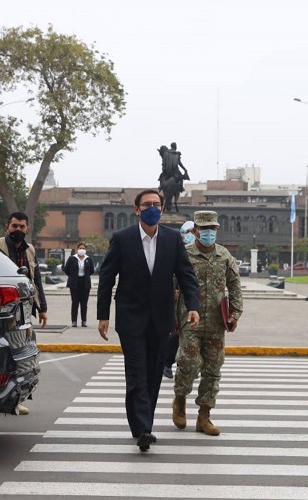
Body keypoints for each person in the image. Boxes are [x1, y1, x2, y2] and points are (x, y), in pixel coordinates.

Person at [97, 189, 200, 452]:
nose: (152, 208)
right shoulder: (122, 239)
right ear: (137, 209)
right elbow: (107, 278)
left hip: (161, 318)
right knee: (136, 372)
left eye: (157, 204)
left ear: (162, 209)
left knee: (153, 373)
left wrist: (193, 307)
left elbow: (186, 274)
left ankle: (142, 424)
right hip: (130, 316)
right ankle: (144, 428)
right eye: (147, 204)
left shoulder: (172, 239)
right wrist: (103, 315)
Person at [172, 210, 243, 436]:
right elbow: (172, 284)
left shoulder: (224, 256)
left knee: (213, 369)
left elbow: (234, 285)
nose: (208, 233)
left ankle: (204, 416)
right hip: (189, 319)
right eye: (204, 229)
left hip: (216, 321)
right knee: (189, 362)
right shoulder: (184, 255)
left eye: (212, 229)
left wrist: (235, 312)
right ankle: (180, 400)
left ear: (217, 230)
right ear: (195, 231)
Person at [0, 211, 48, 416]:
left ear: (27, 229)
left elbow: (37, 280)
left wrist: (43, 308)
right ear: (7, 226)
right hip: (2, 309)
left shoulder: (30, 250)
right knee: (4, 356)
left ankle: (17, 400)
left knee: (22, 357)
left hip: (24, 311)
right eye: (14, 226)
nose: (18, 230)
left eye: (22, 227)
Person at [163, 220, 196, 379]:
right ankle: (167, 363)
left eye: (193, 230)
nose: (191, 234)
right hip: (177, 300)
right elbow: (169, 274)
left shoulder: (199, 251)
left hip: (194, 300)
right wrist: (172, 291)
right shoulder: (176, 248)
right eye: (187, 231)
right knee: (175, 334)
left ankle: (192, 365)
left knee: (194, 335)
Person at [62, 242, 95, 327]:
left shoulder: (88, 259)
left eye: (83, 248)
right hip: (74, 283)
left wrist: (86, 276)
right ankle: (74, 321)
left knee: (84, 303)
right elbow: (66, 269)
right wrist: (72, 276)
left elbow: (91, 270)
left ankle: (84, 321)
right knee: (75, 302)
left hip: (85, 283)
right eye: (80, 248)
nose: (82, 250)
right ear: (77, 249)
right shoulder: (72, 258)